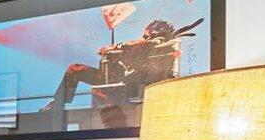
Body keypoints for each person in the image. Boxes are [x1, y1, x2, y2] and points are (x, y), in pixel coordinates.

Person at [44, 18, 189, 110]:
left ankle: (55, 106)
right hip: (127, 83)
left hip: (136, 87)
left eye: (146, 35)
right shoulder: (154, 45)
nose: (142, 38)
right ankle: (56, 105)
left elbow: (146, 44)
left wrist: (117, 47)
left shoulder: (163, 43)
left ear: (156, 33)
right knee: (75, 69)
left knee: (76, 70)